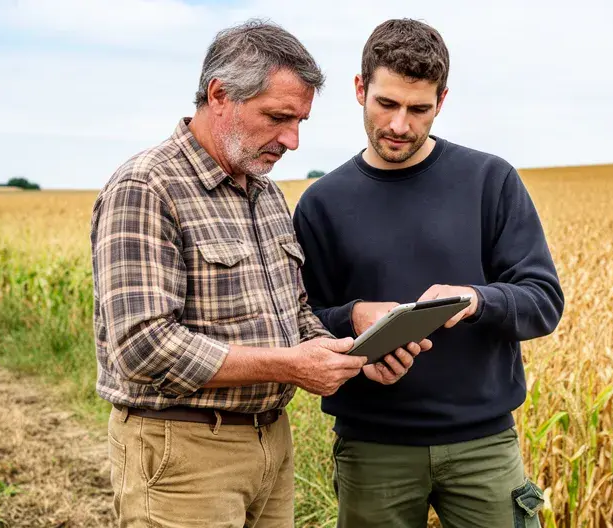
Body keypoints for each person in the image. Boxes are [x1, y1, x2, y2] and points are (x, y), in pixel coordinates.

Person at [89, 19, 427, 527]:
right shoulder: (146, 187)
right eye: (277, 117)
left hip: (271, 443)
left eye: (300, 121)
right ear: (219, 95)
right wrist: (290, 365)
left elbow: (295, 312)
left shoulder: (265, 193)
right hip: (182, 452)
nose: (292, 140)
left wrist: (354, 355)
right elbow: (142, 345)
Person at [292, 18, 565, 528]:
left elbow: (544, 301)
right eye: (386, 104)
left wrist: (476, 300)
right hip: (372, 449)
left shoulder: (490, 180)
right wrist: (355, 320)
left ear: (442, 101)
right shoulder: (321, 204)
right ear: (360, 89)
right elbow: (299, 321)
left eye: (419, 109)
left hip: (484, 447)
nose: (400, 125)